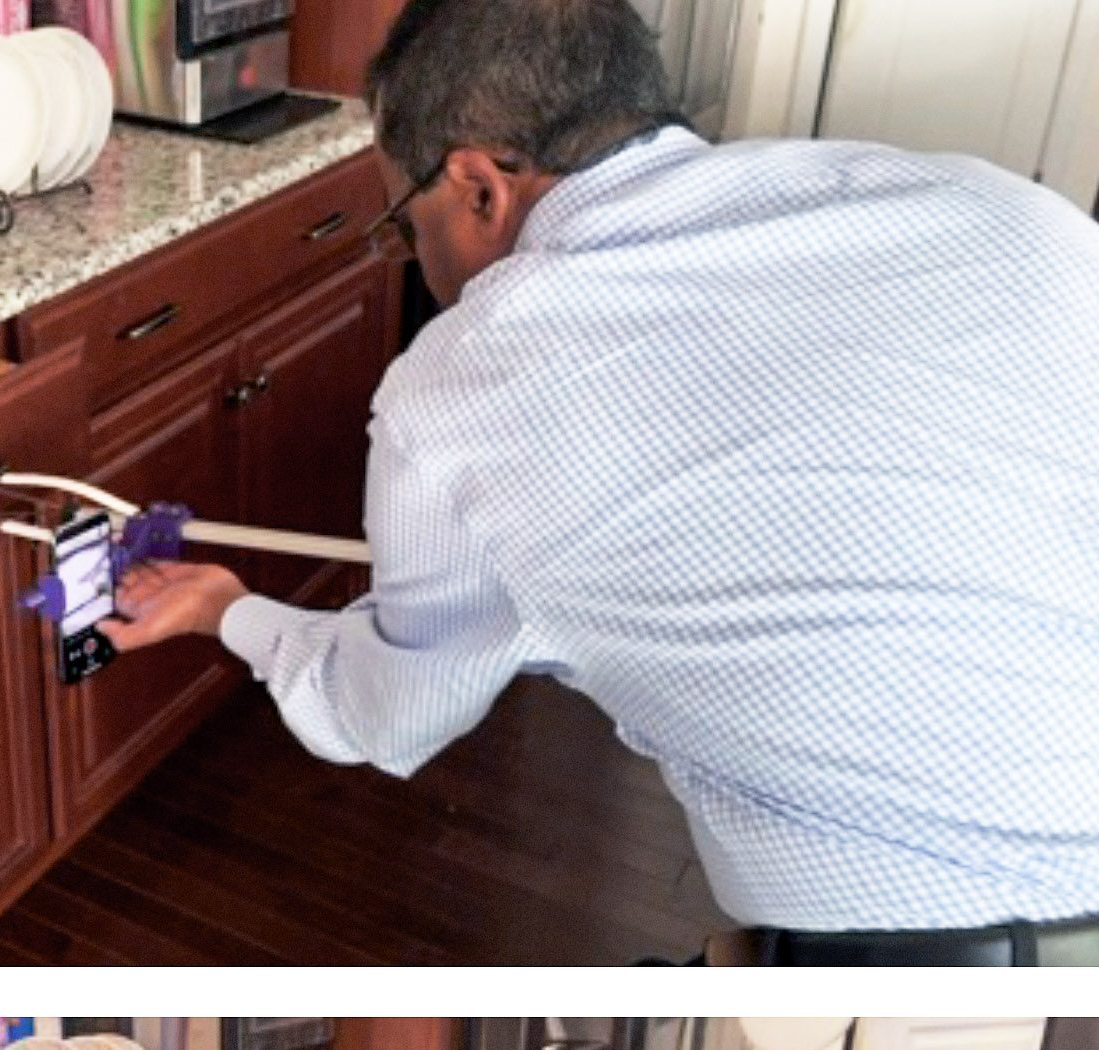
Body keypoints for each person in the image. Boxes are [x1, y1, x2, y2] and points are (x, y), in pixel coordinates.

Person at [98, 0, 1099, 967]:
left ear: (479, 187)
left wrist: (228, 611)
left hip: (934, 958)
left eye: (405, 224)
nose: (416, 256)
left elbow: (388, 712)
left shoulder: (464, 385)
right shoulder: (1007, 212)